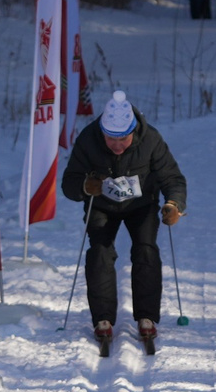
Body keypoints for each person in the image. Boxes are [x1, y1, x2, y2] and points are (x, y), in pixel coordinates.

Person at [67, 90, 188, 356]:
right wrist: (85, 186)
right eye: (111, 139)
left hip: (141, 206)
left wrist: (174, 205)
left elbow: (173, 178)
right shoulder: (88, 140)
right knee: (100, 252)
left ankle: (146, 317)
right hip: (102, 207)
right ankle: (103, 319)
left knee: (145, 249)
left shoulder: (151, 140)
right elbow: (69, 183)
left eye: (123, 139)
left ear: (134, 131)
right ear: (102, 132)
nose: (118, 145)